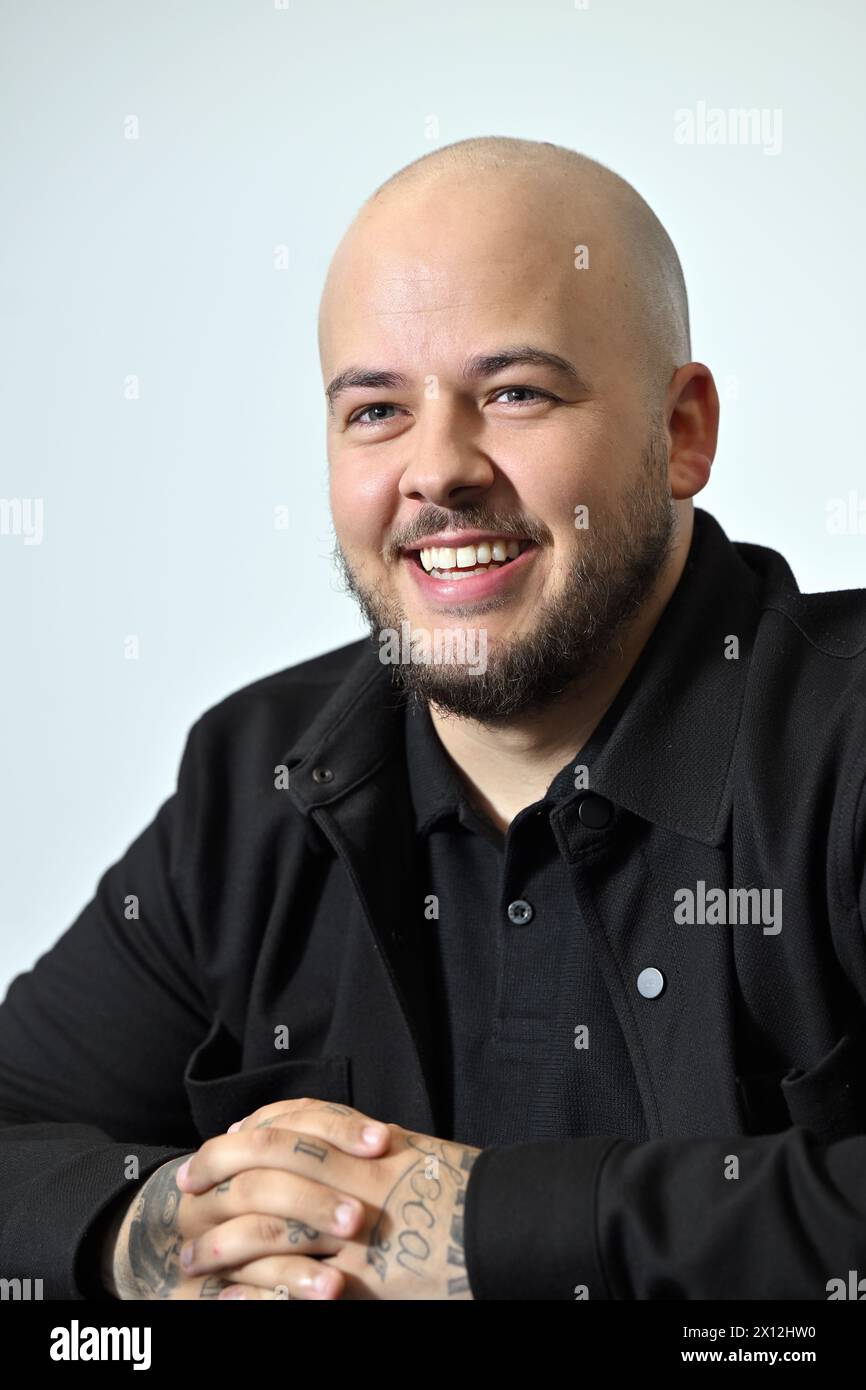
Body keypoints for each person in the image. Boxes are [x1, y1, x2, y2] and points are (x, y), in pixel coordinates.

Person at [2, 136, 865, 1301]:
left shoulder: (845, 738)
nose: (437, 471)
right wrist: (155, 1229)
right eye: (374, 410)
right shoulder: (253, 776)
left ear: (679, 433)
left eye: (513, 392)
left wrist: (476, 1228)